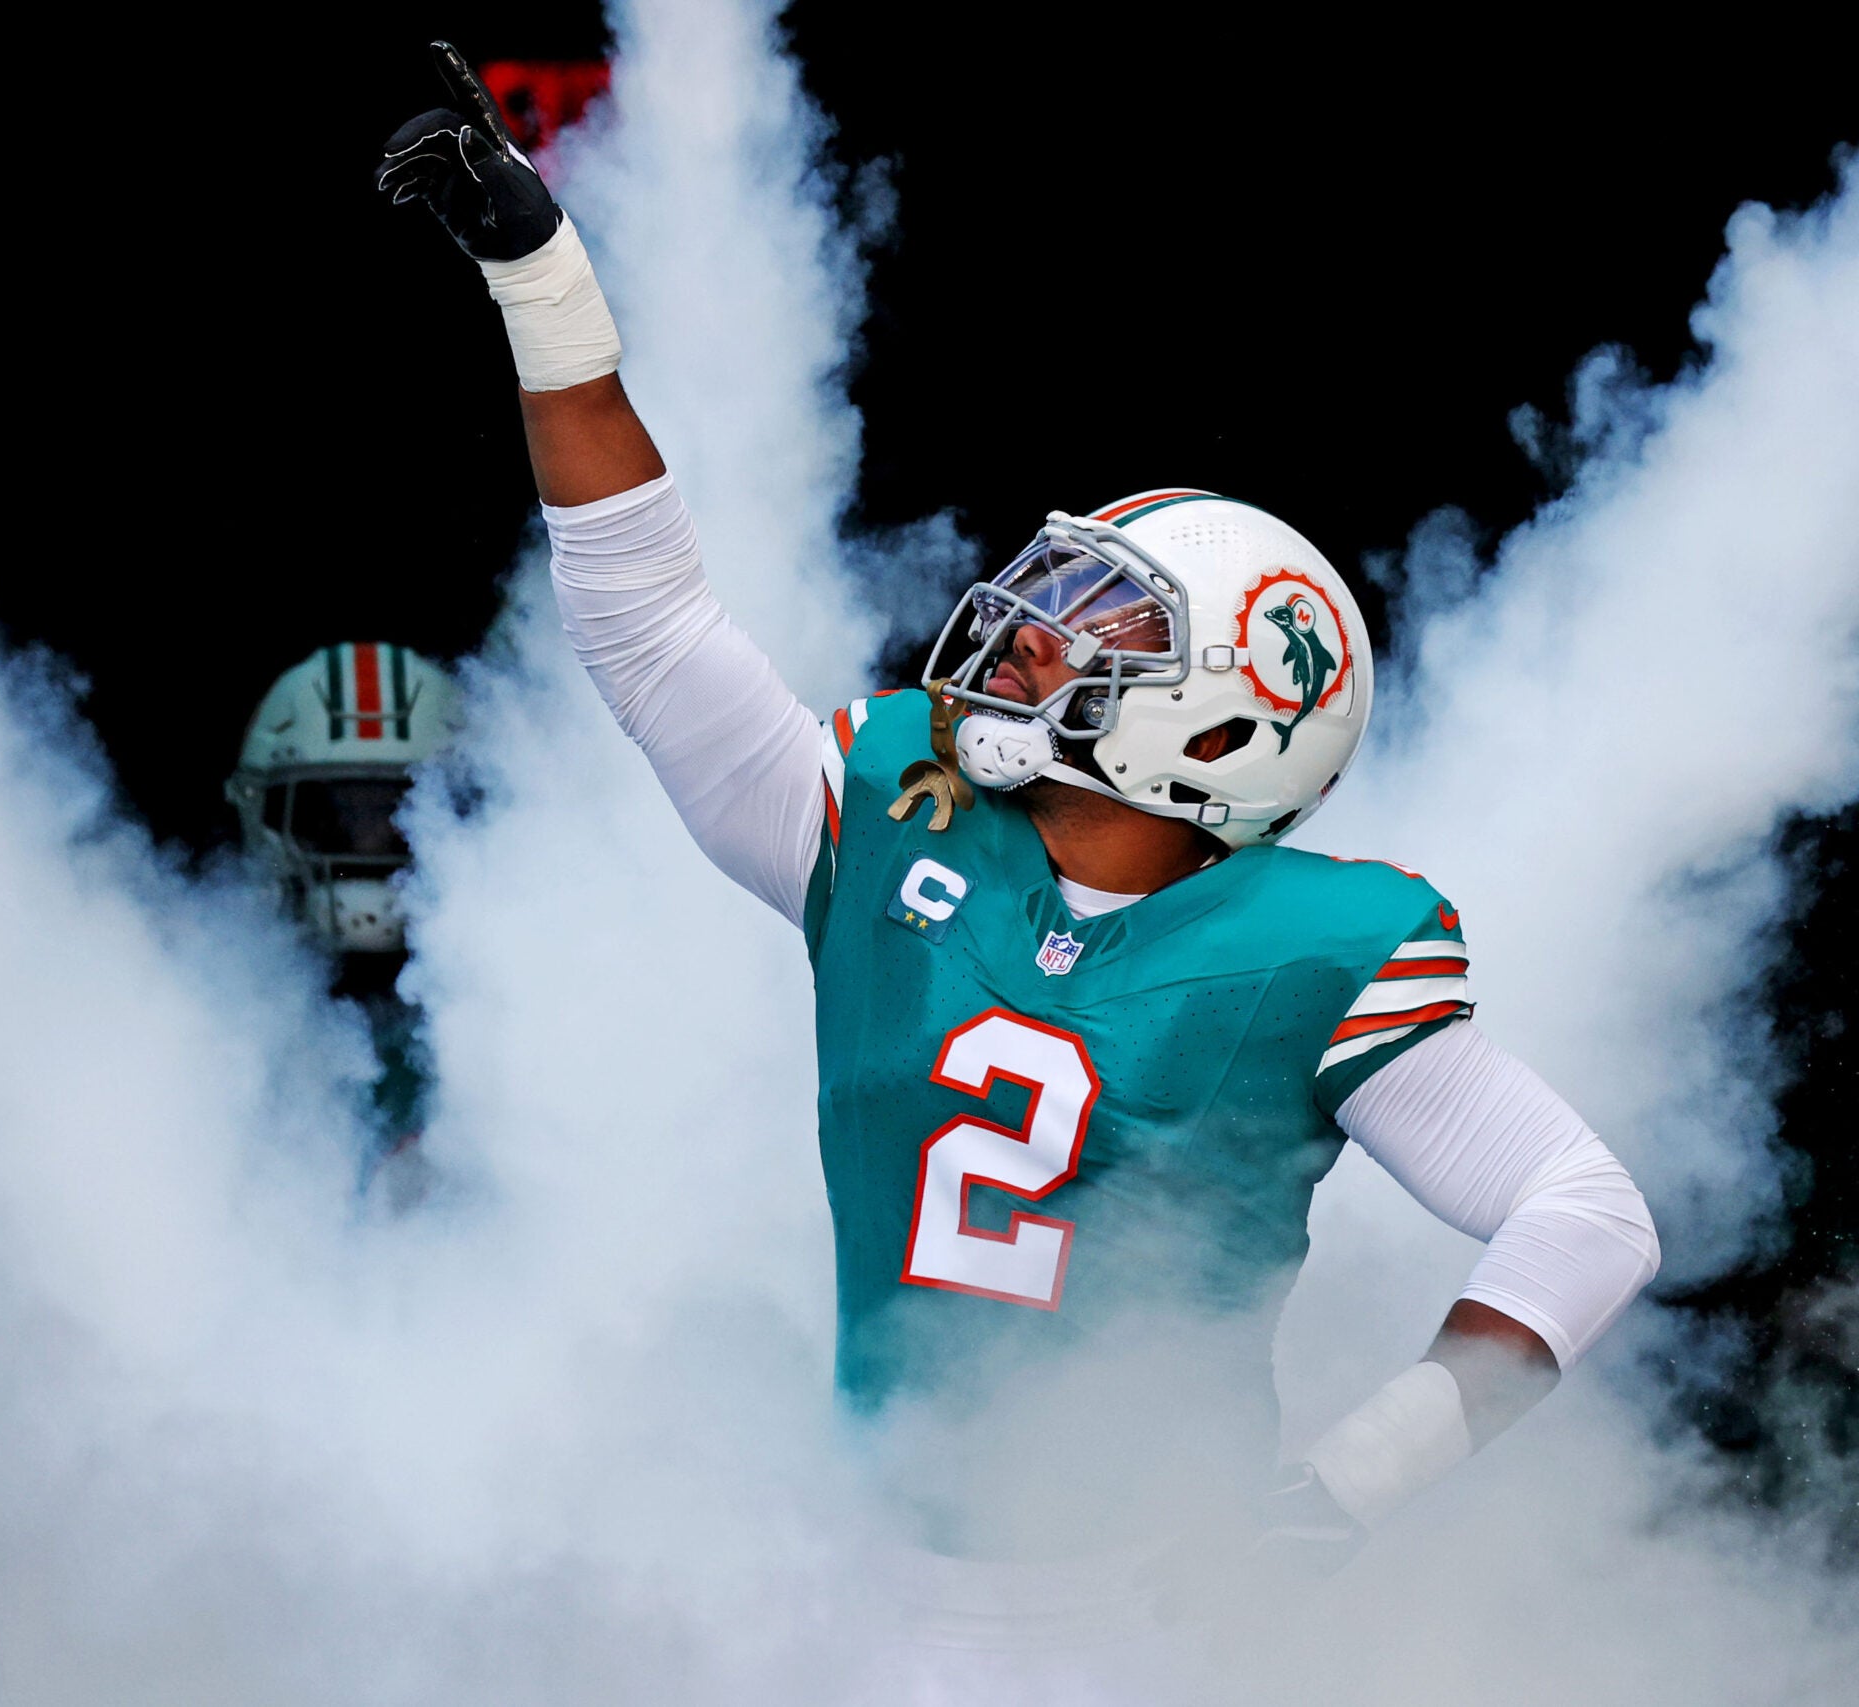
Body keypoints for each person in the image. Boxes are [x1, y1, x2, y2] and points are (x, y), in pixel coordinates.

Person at [378, 54, 1662, 1693]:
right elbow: (646, 627)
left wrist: (1351, 1486)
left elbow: (1588, 1213)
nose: (1032, 635)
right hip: (862, 1585)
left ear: (1215, 732)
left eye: (1104, 629)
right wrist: (540, 279)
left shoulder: (1312, 945)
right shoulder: (898, 814)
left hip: (1149, 1614)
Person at [229, 642, 461, 1167]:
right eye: (334, 816)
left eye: (394, 817)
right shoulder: (221, 1013)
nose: (365, 842)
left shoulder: (509, 1023)